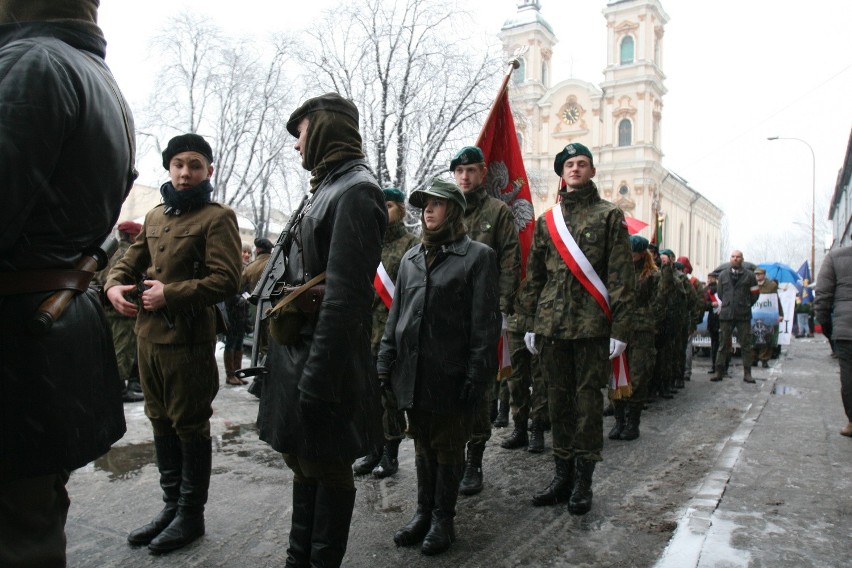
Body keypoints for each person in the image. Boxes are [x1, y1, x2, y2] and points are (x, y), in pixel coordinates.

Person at [0, 1, 134, 565]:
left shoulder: (32, 60)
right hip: (40, 337)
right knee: (30, 524)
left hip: (17, 339)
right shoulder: (97, 78)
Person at [255, 93, 386, 567]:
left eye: (302, 133)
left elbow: (346, 300)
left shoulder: (356, 191)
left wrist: (320, 376)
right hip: (300, 352)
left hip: (322, 357)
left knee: (327, 467)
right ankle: (299, 559)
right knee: (303, 460)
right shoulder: (327, 187)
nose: (296, 146)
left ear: (326, 129)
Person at [106, 133, 242, 553]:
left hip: (188, 342)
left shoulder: (216, 218)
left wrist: (172, 293)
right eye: (179, 164)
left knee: (189, 424)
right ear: (169, 167)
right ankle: (170, 506)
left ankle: (190, 514)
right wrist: (113, 285)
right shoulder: (155, 215)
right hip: (149, 338)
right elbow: (130, 260)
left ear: (209, 171)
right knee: (159, 420)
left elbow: (227, 280)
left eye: (195, 165)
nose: (186, 172)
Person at [378, 178, 500, 555]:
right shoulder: (412, 258)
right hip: (415, 372)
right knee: (423, 445)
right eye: (424, 204)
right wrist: (385, 358)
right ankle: (422, 513)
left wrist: (477, 372)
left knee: (448, 448)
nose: (428, 210)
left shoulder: (477, 256)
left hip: (452, 372)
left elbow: (485, 323)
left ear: (455, 210)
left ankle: (443, 520)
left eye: (437, 203)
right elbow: (396, 316)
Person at [518, 143, 634, 515]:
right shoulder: (546, 221)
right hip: (552, 326)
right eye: (570, 164)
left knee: (586, 405)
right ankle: (561, 476)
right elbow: (534, 276)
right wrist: (530, 321)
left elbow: (621, 276)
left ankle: (583, 481)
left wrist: (620, 327)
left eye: (582, 164)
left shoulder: (610, 216)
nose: (576, 169)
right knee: (557, 402)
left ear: (592, 171)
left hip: (591, 326)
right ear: (561, 173)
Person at [450, 145, 521, 496]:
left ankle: (474, 460)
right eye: (460, 172)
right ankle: (450, 458)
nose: (465, 177)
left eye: (472, 171)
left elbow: (510, 261)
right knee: (449, 386)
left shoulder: (498, 212)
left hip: (483, 317)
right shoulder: (446, 209)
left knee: (480, 389)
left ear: (482, 173)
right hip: (446, 318)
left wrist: (504, 309)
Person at [353, 187, 418, 478]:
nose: (383, 210)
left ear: (401, 209)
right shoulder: (368, 243)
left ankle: (390, 454)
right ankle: (373, 449)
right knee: (368, 395)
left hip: (394, 334)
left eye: (389, 205)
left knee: (389, 395)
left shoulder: (412, 244)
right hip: (366, 331)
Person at [608, 235, 664, 441]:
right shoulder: (618, 272)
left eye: (631, 252)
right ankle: (619, 420)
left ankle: (633, 422)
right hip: (618, 330)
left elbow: (659, 303)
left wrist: (648, 320)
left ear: (641, 254)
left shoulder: (652, 276)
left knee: (638, 376)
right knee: (616, 374)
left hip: (641, 331)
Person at [93, 220, 145, 402]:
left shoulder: (109, 251)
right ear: (132, 236)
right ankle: (119, 391)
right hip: (122, 307)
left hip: (108, 305)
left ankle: (122, 387)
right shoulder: (128, 253)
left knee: (115, 348)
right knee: (122, 350)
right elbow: (116, 279)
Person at [814, 247, 852, 437]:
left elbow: (822, 294)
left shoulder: (835, 257)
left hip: (845, 330)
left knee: (849, 377)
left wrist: (828, 329)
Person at [714, 250, 759, 383]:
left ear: (742, 259)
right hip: (726, 314)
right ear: (730, 259)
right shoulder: (722, 275)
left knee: (746, 344)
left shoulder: (750, 276)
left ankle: (747, 373)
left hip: (743, 314)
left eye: (738, 257)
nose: (735, 259)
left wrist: (746, 303)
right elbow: (721, 294)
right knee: (723, 344)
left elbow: (755, 294)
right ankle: (719, 372)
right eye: (733, 257)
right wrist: (729, 303)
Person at [752, 267, 783, 368]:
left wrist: (780, 314)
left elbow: (776, 300)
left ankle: (764, 359)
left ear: (764, 275)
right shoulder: (752, 285)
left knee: (767, 337)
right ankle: (753, 359)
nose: (757, 276)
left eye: (759, 274)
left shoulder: (771, 285)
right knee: (753, 337)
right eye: (756, 274)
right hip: (754, 314)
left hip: (768, 314)